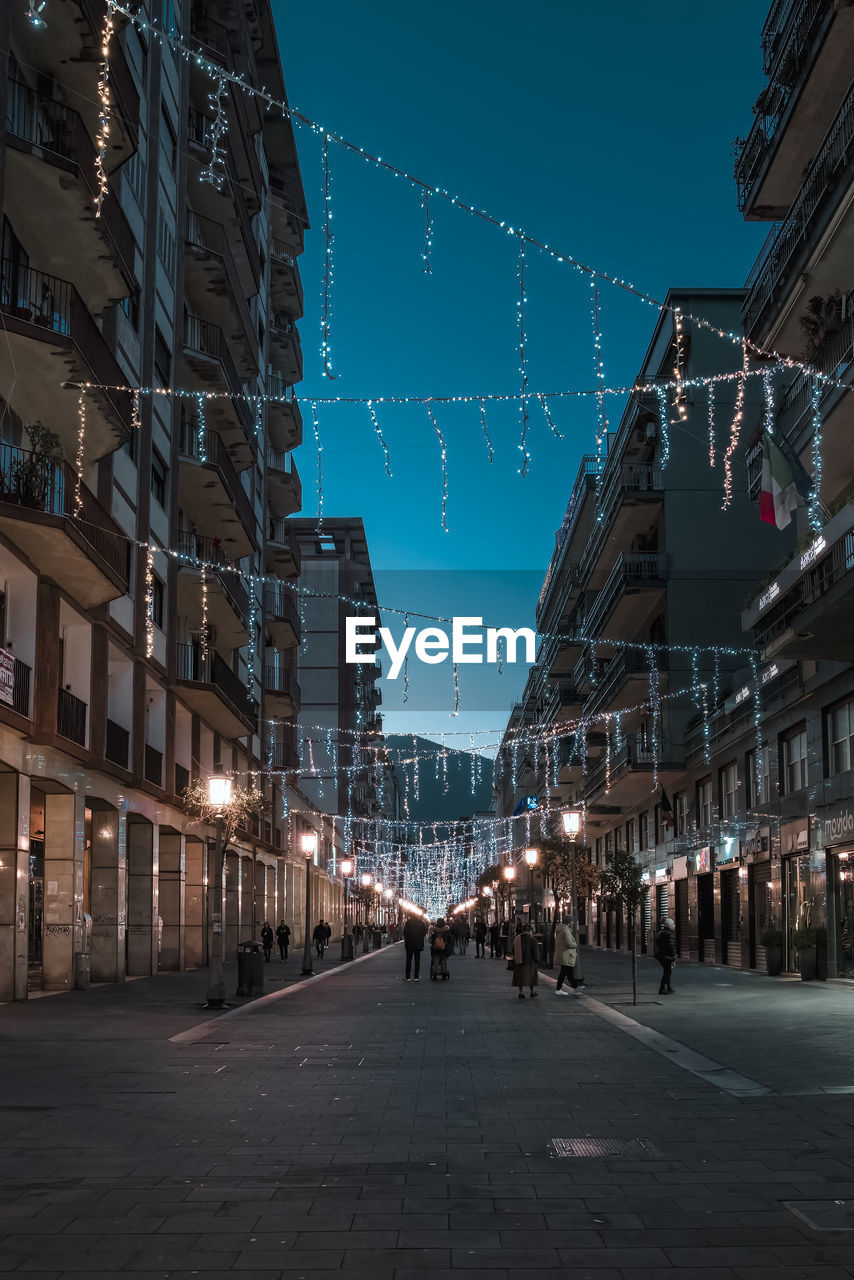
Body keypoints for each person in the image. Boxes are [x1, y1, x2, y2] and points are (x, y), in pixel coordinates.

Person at [553, 916, 585, 994]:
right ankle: (559, 989)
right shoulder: (565, 930)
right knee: (565, 972)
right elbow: (569, 943)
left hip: (564, 954)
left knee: (567, 972)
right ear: (569, 922)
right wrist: (575, 944)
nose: (573, 923)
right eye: (572, 921)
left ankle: (574, 987)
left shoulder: (560, 929)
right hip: (566, 954)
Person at [511, 922, 539, 999]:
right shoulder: (532, 939)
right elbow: (535, 952)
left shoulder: (517, 938)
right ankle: (532, 992)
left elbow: (513, 950)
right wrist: (536, 959)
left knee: (520, 978)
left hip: (519, 961)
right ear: (530, 930)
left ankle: (521, 992)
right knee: (531, 977)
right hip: (530, 962)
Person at [403, 912, 428, 981]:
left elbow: (405, 932)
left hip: (409, 944)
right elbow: (425, 932)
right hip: (418, 944)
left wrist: (407, 940)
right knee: (417, 961)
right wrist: (420, 938)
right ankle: (416, 976)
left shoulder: (408, 923)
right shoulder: (421, 923)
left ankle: (407, 977)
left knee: (409, 960)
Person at [655, 916, 676, 995]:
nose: (674, 926)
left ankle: (668, 987)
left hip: (661, 955)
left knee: (668, 971)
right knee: (667, 972)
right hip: (666, 956)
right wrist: (673, 956)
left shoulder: (661, 933)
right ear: (670, 926)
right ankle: (662, 988)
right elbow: (671, 946)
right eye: (673, 924)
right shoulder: (669, 934)